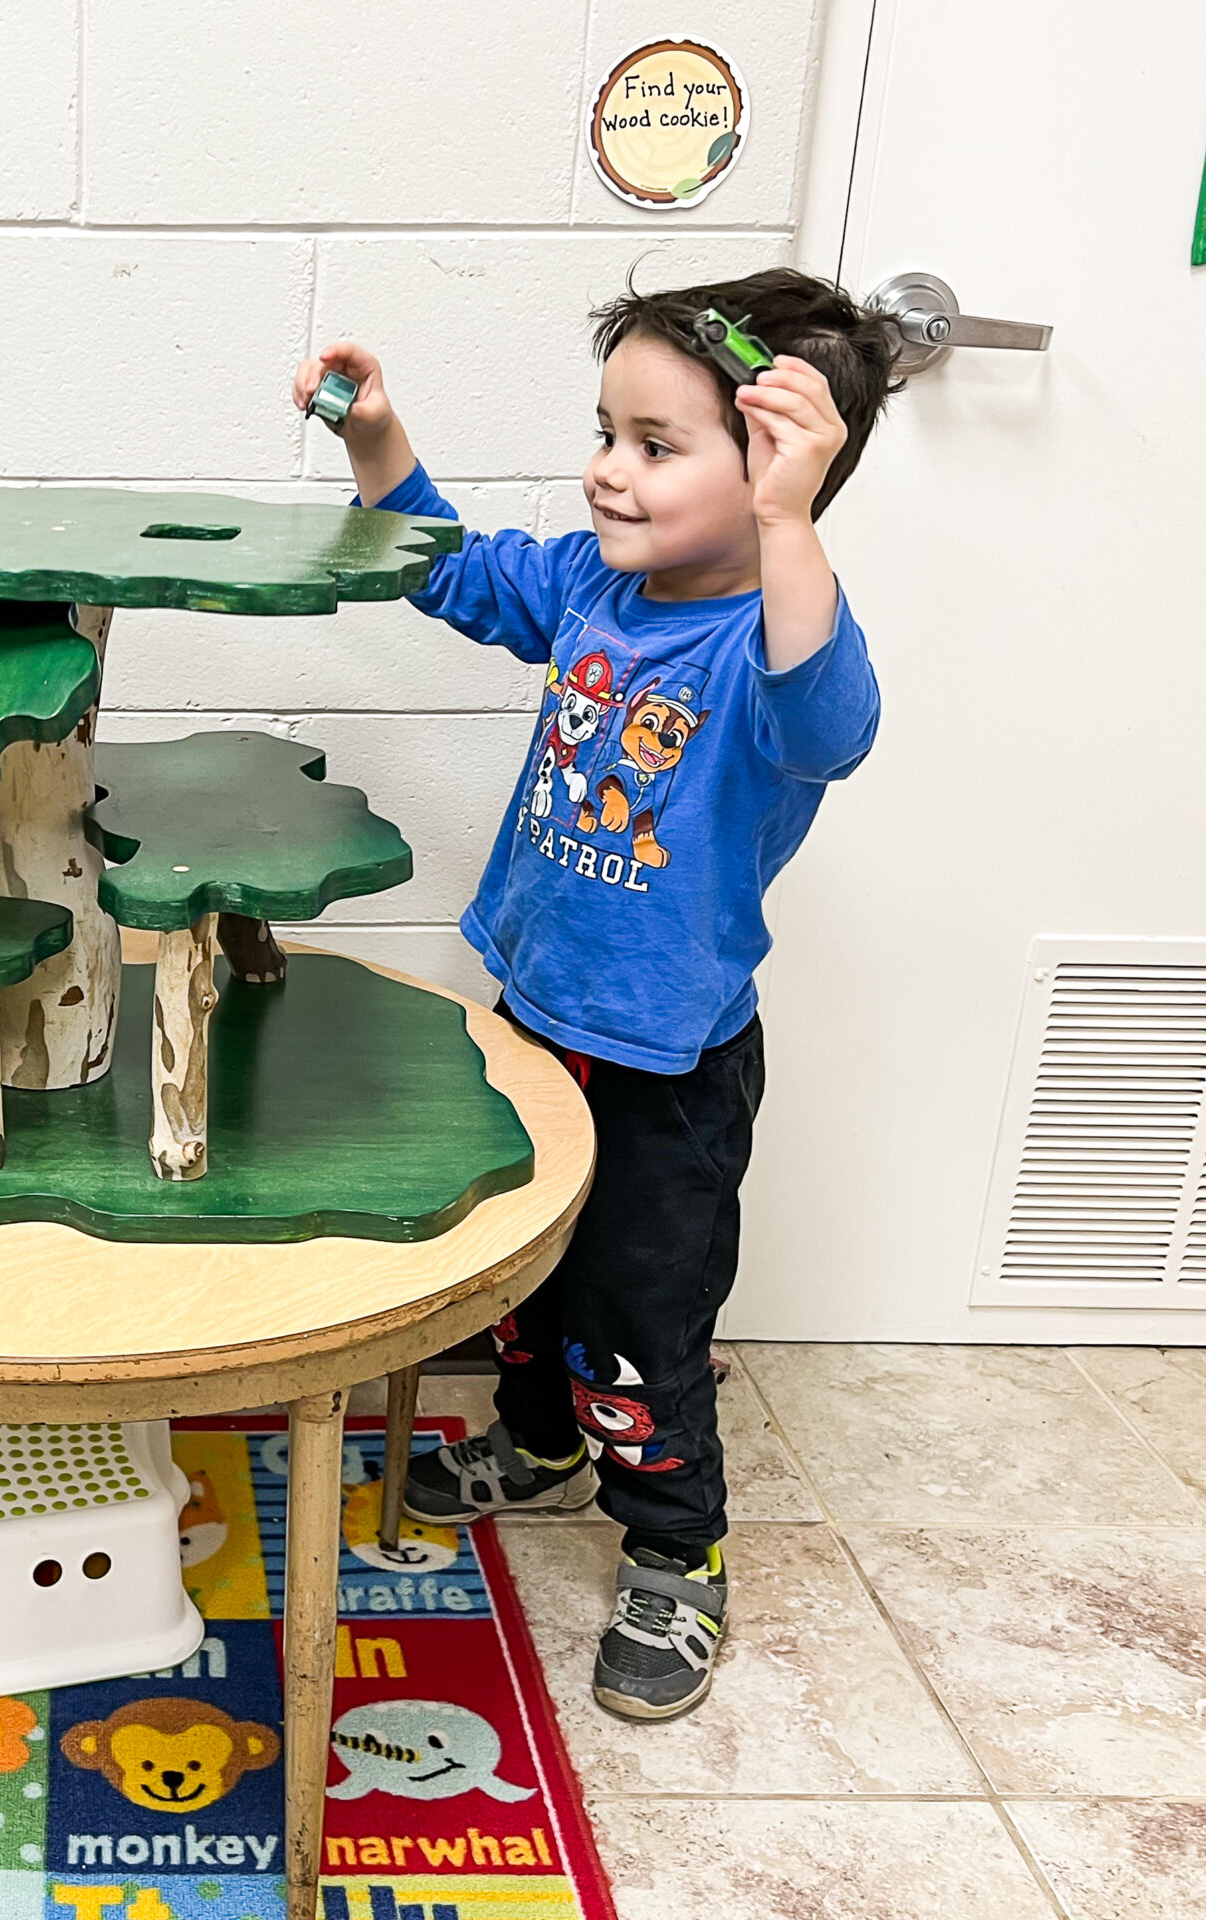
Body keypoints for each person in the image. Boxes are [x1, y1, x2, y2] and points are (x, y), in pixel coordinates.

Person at [295, 269, 897, 1721]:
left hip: (667, 1064)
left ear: (775, 466)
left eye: (656, 445)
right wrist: (377, 438)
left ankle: (678, 1552)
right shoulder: (590, 587)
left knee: (639, 1315)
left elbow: (836, 728)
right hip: (536, 1015)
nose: (607, 470)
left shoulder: (773, 649)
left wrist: (792, 524)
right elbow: (447, 567)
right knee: (526, 1270)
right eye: (607, 433)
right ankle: (541, 1441)